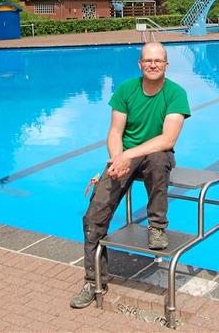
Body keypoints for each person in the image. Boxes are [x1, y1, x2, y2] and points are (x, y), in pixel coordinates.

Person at [70, 42, 191, 309]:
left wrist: (128, 155)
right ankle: (94, 280)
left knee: (159, 160)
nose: (153, 65)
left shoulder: (176, 93)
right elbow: (115, 132)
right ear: (140, 64)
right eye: (148, 60)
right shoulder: (126, 89)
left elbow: (168, 139)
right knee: (93, 218)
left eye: (158, 61)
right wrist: (118, 158)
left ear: (166, 65)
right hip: (124, 155)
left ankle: (157, 226)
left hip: (156, 153)